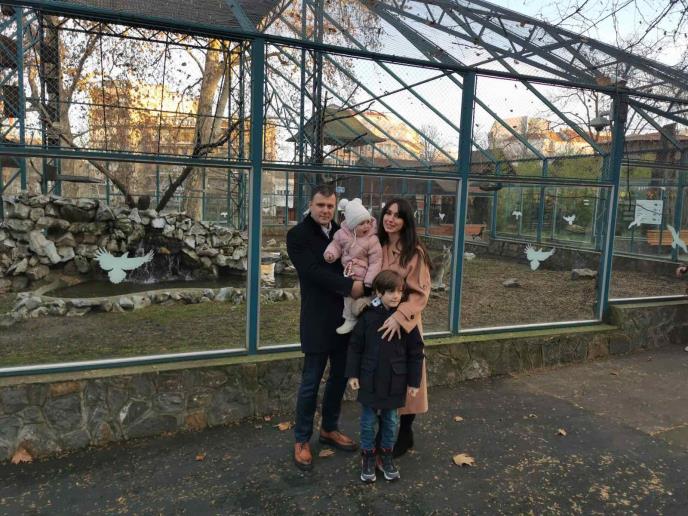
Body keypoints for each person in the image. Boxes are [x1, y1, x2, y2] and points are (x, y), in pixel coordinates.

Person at [287, 184, 365, 471]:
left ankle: (329, 428)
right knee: (311, 382)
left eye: (330, 206)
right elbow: (312, 272)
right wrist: (350, 286)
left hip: (345, 319)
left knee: (339, 379)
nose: (325, 210)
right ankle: (301, 439)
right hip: (317, 319)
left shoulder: (344, 232)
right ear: (311, 205)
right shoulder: (297, 235)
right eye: (321, 205)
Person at [346, 270, 425, 483]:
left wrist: (413, 382)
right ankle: (368, 456)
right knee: (367, 422)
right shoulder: (367, 317)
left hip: (395, 381)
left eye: (399, 291)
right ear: (379, 292)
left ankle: (386, 456)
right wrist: (352, 374)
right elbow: (355, 347)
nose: (396, 296)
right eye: (390, 291)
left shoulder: (406, 319)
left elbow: (416, 352)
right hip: (369, 378)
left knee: (390, 422)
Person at [375, 197, 432, 457]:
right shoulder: (377, 245)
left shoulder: (414, 253)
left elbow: (420, 293)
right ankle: (383, 430)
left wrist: (399, 316)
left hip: (405, 324)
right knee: (382, 377)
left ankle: (405, 432)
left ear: (406, 221)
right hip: (379, 322)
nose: (390, 219)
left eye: (397, 215)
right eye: (388, 213)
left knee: (408, 378)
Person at [324, 198, 382, 334]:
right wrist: (330, 254)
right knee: (348, 298)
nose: (366, 226)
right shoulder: (341, 235)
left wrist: (369, 282)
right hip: (349, 274)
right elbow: (335, 245)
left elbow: (376, 261)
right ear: (352, 225)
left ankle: (366, 317)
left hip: (364, 276)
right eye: (361, 223)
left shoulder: (372, 239)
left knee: (365, 299)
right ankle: (350, 319)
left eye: (368, 222)